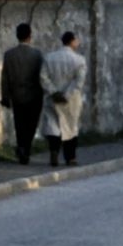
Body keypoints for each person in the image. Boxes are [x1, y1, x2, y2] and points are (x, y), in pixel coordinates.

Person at [40, 30, 87, 167]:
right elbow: (78, 81)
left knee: (53, 125)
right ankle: (70, 157)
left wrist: (54, 91)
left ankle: (54, 151)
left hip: (52, 98)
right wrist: (66, 94)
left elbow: (43, 77)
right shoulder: (79, 60)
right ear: (72, 41)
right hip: (71, 100)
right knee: (71, 127)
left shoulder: (49, 58)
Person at [0, 23, 44, 165]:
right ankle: (26, 148)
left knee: (19, 123)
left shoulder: (9, 55)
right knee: (31, 124)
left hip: (16, 94)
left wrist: (5, 96)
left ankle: (21, 147)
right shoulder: (37, 54)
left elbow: (5, 77)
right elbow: (42, 76)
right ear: (30, 36)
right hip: (34, 95)